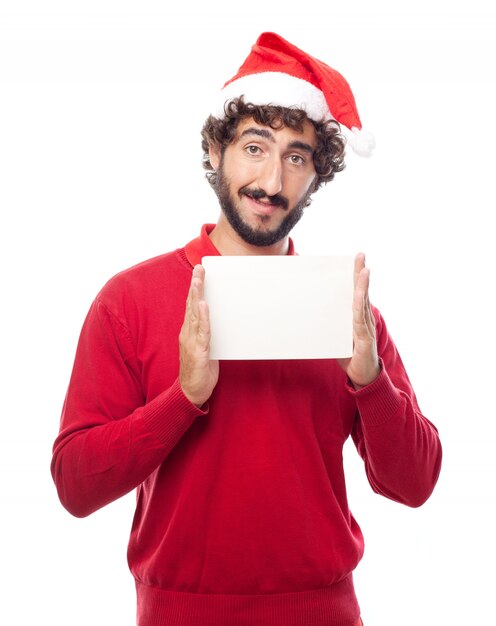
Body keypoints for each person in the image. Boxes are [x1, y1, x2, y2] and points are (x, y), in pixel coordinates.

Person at [51, 32, 442, 626]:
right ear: (216, 152)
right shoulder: (128, 301)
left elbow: (415, 484)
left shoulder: (349, 310)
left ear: (316, 175)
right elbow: (76, 487)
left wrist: (371, 381)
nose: (272, 183)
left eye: (296, 157)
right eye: (254, 147)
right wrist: (183, 398)